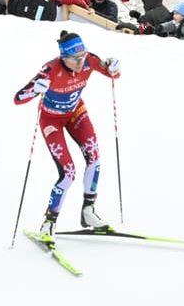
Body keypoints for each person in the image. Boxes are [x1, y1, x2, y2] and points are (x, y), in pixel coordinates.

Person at [13, 31, 120, 236]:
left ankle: (88, 211)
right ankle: (49, 222)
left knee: (94, 158)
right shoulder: (50, 69)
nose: (81, 62)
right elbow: (18, 98)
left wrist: (114, 67)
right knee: (68, 172)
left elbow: (113, 74)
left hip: (76, 113)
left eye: (83, 56)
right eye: (75, 59)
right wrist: (36, 89)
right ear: (64, 57)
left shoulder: (90, 60)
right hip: (51, 120)